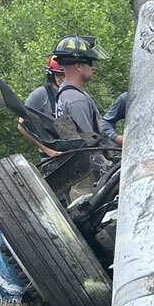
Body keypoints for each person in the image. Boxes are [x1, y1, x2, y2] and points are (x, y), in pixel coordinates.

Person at [50, 35, 106, 199]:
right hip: (86, 175)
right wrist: (105, 165)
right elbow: (89, 142)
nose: (93, 68)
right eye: (90, 63)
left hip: (76, 168)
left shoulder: (65, 93)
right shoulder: (76, 100)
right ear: (79, 66)